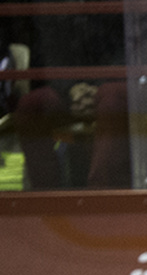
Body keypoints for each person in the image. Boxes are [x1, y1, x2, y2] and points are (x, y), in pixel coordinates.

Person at [10, 3, 130, 189]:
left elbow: (130, 47)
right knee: (30, 105)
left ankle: (101, 193)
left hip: (113, 83)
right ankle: (47, 196)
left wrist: (96, 89)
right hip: (69, 88)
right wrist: (70, 89)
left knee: (111, 98)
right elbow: (46, 52)